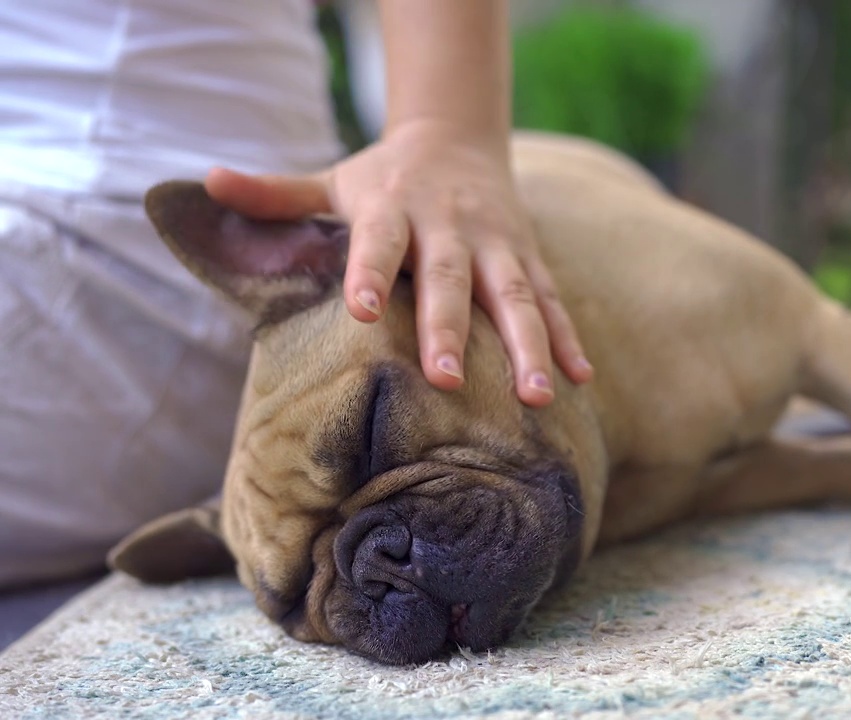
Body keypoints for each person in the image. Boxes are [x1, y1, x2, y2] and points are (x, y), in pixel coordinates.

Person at [0, 0, 591, 589]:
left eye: (373, 434)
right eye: (294, 597)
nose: (388, 569)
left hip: (98, 225)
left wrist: (445, 130)